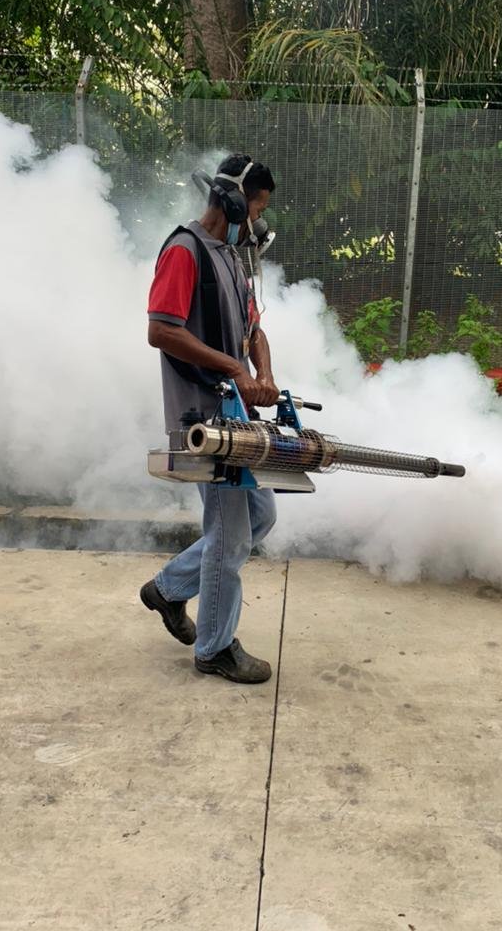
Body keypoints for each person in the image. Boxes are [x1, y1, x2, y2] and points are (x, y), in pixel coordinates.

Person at [140, 154, 280, 684]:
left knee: (259, 515)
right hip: (203, 416)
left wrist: (262, 373)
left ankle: (170, 589)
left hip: (234, 413)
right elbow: (161, 330)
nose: (259, 219)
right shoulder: (185, 250)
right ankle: (215, 649)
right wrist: (232, 367)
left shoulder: (230, 257)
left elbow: (254, 330)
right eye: (258, 206)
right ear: (235, 201)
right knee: (229, 534)